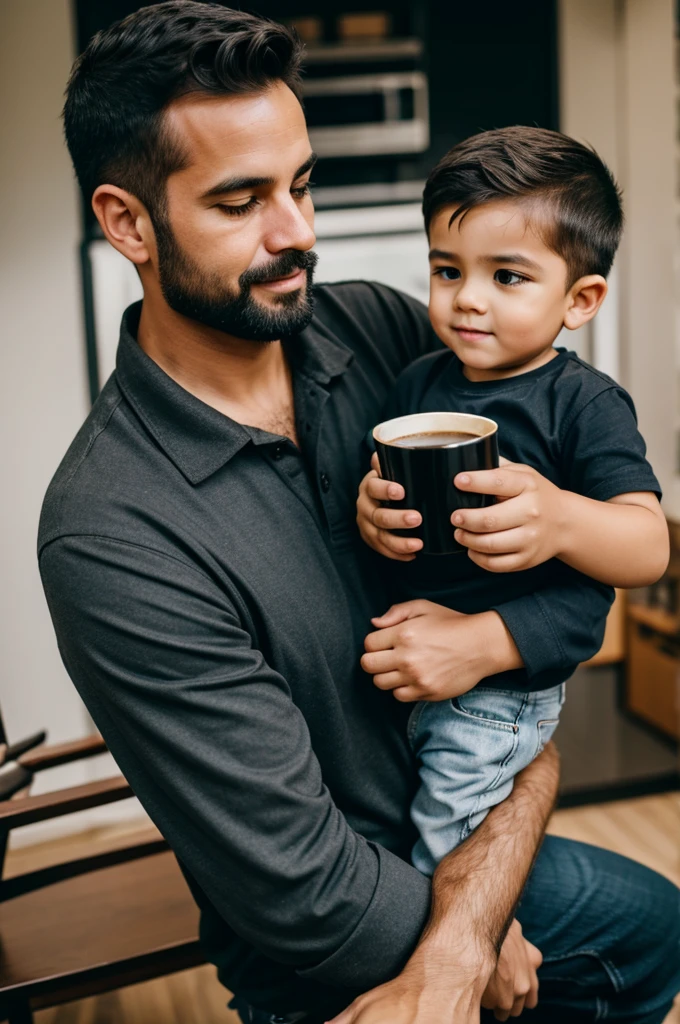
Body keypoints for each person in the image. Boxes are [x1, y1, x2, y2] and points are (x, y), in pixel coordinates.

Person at [37, 3, 679, 1022]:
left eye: (299, 184)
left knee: (653, 921)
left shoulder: (382, 338)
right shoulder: (112, 532)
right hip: (345, 934)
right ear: (126, 223)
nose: (297, 232)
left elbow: (551, 621)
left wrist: (480, 883)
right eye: (241, 200)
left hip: (470, 807)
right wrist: (469, 939)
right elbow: (303, 897)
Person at [356, 126, 670, 877]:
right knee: (408, 828)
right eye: (447, 269)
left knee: (447, 849)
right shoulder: (417, 385)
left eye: (508, 277)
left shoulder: (584, 403)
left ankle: (460, 977)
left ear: (581, 299)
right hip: (411, 673)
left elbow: (646, 543)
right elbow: (379, 487)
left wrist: (560, 517)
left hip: (499, 691)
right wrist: (372, 512)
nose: (468, 299)